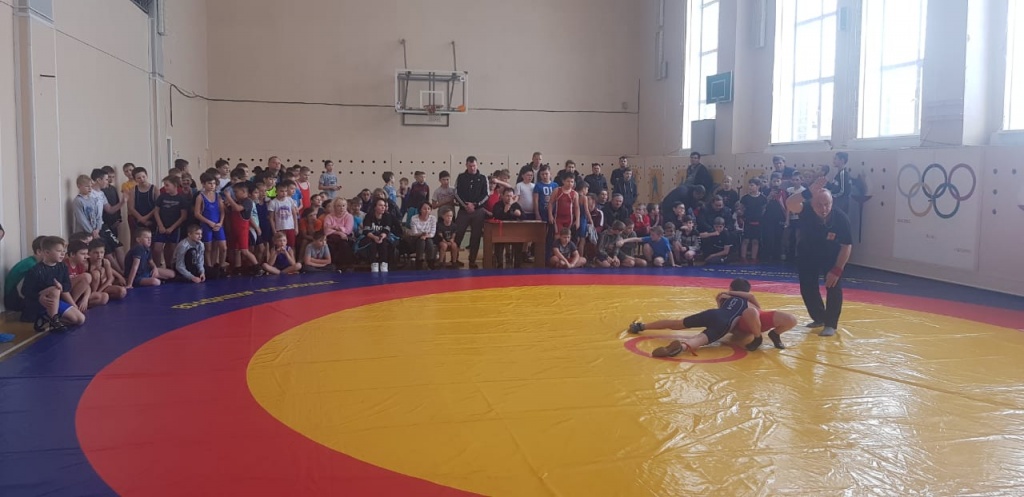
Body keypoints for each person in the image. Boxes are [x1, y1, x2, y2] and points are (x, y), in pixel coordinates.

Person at [627, 278, 762, 357]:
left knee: (677, 323)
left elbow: (722, 306)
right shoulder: (748, 302)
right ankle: (682, 347)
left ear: (731, 288)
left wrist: (727, 293)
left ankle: (641, 326)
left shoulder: (724, 297)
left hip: (712, 313)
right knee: (699, 339)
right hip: (724, 322)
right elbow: (755, 306)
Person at [786, 177, 853, 337]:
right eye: (819, 205)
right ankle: (819, 317)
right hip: (807, 253)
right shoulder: (806, 209)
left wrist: (837, 269)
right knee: (807, 287)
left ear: (832, 202)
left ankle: (830, 323)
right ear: (811, 203)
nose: (823, 209)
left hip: (831, 255)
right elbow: (790, 203)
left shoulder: (841, 218)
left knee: (833, 285)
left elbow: (846, 246)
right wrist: (808, 192)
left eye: (827, 204)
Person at [20, 236, 86, 332]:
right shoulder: (35, 270)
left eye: (63, 251)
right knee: (55, 290)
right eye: (59, 251)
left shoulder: (62, 267)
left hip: (54, 302)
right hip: (39, 303)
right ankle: (54, 320)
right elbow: (25, 291)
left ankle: (48, 319)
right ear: (47, 252)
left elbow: (67, 285)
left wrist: (61, 287)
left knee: (80, 319)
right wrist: (40, 296)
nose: (63, 254)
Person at [454, 157, 489, 268]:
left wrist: (475, 205)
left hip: (478, 211)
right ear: (466, 165)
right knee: (458, 234)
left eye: (474, 165)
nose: (472, 168)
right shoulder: (460, 177)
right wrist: (465, 205)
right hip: (463, 211)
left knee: (476, 237)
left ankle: (472, 260)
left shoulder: (483, 178)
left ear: (477, 165)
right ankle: (455, 259)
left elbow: (486, 195)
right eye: (470, 166)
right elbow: (456, 193)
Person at [195, 172, 227, 275]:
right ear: (203, 184)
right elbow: (197, 214)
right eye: (209, 183)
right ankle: (209, 268)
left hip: (218, 225)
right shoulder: (200, 197)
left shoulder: (218, 196)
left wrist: (220, 223)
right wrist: (209, 223)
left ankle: (221, 266)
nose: (212, 185)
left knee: (223, 247)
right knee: (208, 248)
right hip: (206, 225)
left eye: (213, 183)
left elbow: (222, 211)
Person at [153, 175, 189, 268]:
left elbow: (183, 216)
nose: (165, 187)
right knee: (157, 249)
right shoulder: (162, 197)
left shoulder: (181, 199)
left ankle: (170, 267)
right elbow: (156, 211)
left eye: (167, 185)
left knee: (172, 249)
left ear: (175, 185)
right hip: (162, 226)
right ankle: (156, 268)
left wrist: (172, 228)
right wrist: (160, 225)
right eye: (164, 185)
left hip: (175, 228)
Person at [359, 197, 402, 273]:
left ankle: (384, 263)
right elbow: (366, 231)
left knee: (384, 242)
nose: (383, 207)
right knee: (372, 243)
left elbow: (387, 229)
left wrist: (381, 237)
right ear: (375, 207)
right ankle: (374, 263)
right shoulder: (369, 216)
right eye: (380, 205)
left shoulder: (387, 216)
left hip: (383, 237)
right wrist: (374, 237)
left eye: (384, 205)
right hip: (370, 236)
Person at [4, 236, 46, 312]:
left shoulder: (30, 261)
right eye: (48, 252)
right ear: (39, 252)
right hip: (13, 299)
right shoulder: (32, 265)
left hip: (13, 296)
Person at [739, 178, 768, 262]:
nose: (750, 187)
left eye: (752, 185)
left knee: (755, 241)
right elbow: (741, 209)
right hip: (747, 221)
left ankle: (754, 258)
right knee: (746, 240)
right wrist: (740, 217)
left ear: (758, 186)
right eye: (749, 185)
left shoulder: (763, 198)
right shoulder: (745, 198)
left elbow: (764, 210)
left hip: (758, 222)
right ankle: (743, 258)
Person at [323, 197, 355, 270]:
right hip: (332, 237)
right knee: (331, 243)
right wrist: (339, 232)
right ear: (334, 207)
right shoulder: (329, 216)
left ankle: (346, 265)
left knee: (343, 243)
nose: (341, 208)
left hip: (346, 237)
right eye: (339, 206)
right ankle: (333, 265)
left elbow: (347, 230)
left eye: (343, 206)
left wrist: (334, 227)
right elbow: (326, 230)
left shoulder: (349, 216)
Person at [407, 203, 438, 269]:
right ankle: (419, 261)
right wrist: (422, 234)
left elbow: (432, 233)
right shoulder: (414, 218)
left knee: (429, 241)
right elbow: (414, 233)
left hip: (428, 238)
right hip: (416, 238)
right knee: (421, 241)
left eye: (428, 209)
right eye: (424, 209)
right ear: (420, 210)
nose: (427, 211)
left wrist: (425, 236)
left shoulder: (433, 218)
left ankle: (430, 262)